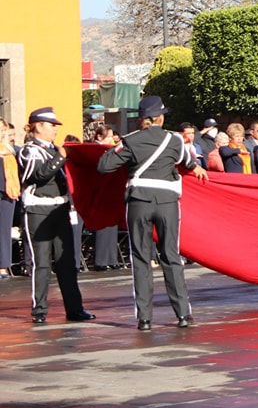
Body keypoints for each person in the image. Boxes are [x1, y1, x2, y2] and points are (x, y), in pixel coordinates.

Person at [97, 95, 208, 331]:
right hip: (167, 201)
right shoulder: (174, 140)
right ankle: (183, 315)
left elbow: (104, 166)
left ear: (142, 119)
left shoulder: (130, 141)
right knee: (171, 256)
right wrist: (196, 167)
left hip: (139, 201)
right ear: (160, 117)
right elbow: (189, 162)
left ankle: (144, 318)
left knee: (140, 258)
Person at [18, 107, 95, 324]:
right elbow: (38, 176)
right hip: (38, 210)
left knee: (66, 262)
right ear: (38, 126)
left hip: (60, 209)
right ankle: (39, 310)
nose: (55, 130)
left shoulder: (53, 149)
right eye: (51, 125)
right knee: (41, 263)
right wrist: (60, 157)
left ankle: (75, 308)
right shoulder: (29, 150)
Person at [92, 125, 121, 271]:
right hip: (100, 192)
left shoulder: (110, 150)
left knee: (112, 226)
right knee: (103, 227)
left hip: (111, 191)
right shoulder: (95, 149)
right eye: (108, 137)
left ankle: (112, 258)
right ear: (99, 137)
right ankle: (101, 260)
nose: (112, 140)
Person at [0, 117, 19, 280]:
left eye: (3, 130)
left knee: (4, 228)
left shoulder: (10, 151)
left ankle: (3, 265)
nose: (2, 133)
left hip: (7, 192)